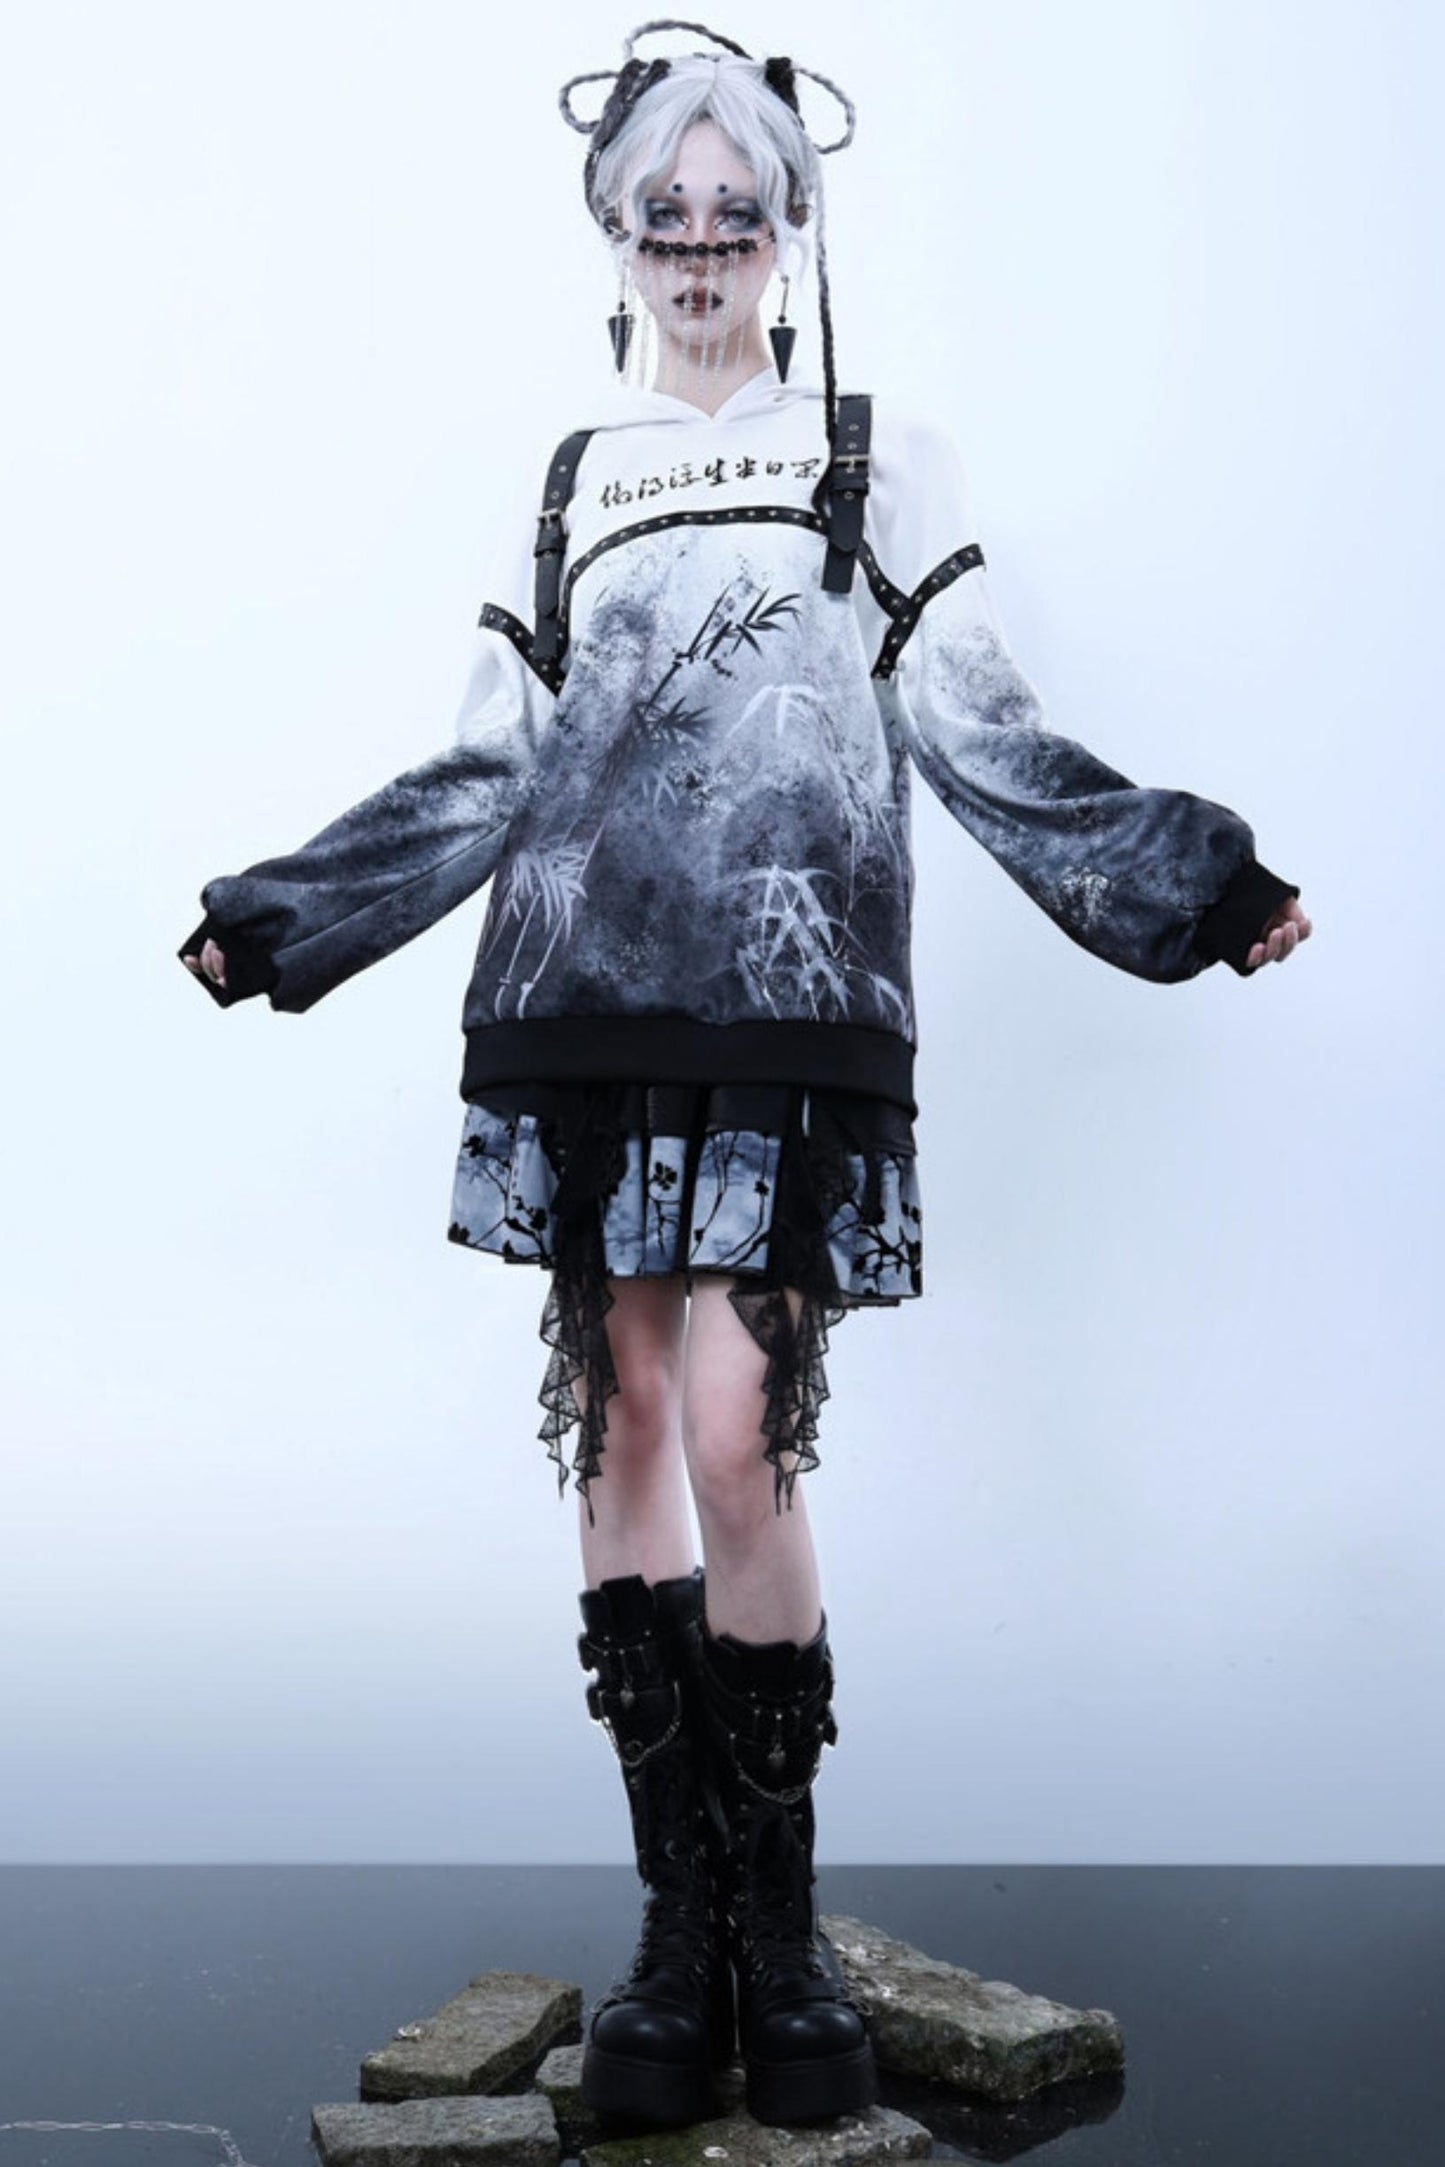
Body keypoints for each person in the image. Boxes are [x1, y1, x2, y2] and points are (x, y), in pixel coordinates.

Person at [179, 20, 1312, 2134]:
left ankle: (775, 1934)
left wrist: (1189, 883)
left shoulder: (877, 454)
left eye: (734, 209)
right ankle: (676, 1931)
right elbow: (485, 770)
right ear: (613, 231)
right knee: (624, 1419)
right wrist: (283, 915)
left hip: (792, 1011)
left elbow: (972, 717)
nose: (698, 240)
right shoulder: (565, 479)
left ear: (790, 229)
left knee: (735, 1429)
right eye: (663, 210)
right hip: (578, 1006)